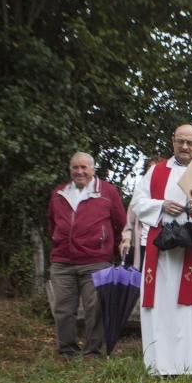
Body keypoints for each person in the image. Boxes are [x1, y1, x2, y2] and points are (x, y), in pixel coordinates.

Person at [130, 125, 192, 376]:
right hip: (163, 253)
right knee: (164, 305)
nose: (185, 147)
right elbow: (138, 203)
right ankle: (163, 363)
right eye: (181, 141)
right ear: (173, 141)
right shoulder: (155, 172)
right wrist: (161, 205)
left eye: (190, 142)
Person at [47, 152, 127, 358]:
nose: (80, 171)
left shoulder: (107, 192)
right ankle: (67, 351)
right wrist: (58, 240)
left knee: (96, 309)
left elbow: (121, 223)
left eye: (84, 167)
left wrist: (113, 247)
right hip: (62, 261)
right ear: (70, 169)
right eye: (76, 167)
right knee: (63, 309)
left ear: (93, 169)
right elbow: (52, 223)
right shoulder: (58, 193)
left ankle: (92, 352)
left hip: (97, 260)